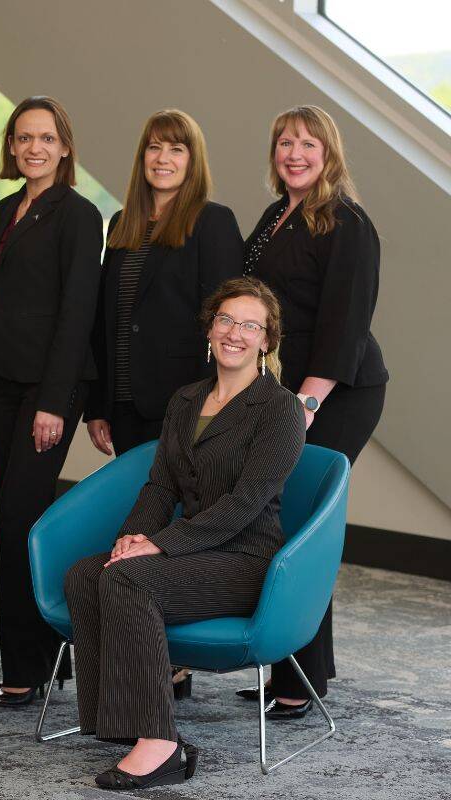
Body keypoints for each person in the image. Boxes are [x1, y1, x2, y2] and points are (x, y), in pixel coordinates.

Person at [64, 277, 305, 790]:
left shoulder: (281, 409)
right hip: (194, 551)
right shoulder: (186, 400)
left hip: (247, 559)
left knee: (130, 581)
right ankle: (117, 723)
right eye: (225, 320)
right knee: (89, 574)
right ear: (209, 330)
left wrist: (160, 545)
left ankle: (160, 744)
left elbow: (245, 505)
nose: (234, 332)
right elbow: (160, 486)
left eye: (249, 325)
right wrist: (130, 541)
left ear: (267, 341)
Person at [241, 105, 388, 717]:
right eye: (284, 143)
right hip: (283, 393)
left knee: (300, 522)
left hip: (336, 393)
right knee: (282, 520)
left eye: (307, 144)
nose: (294, 153)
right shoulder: (278, 216)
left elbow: (345, 324)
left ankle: (298, 679)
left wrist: (305, 405)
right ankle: (297, 666)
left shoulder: (347, 222)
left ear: (329, 154)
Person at [0, 96, 103, 706]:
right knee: (15, 516)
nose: (34, 148)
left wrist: (54, 402)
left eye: (46, 138)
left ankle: (26, 667)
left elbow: (78, 311)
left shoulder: (79, 216)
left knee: (23, 519)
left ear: (65, 147)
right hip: (4, 383)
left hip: (49, 390)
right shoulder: (3, 211)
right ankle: (42, 656)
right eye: (23, 138)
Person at [86, 109, 243, 457]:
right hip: (124, 404)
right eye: (154, 147)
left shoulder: (212, 222)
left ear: (192, 160)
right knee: (138, 505)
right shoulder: (122, 224)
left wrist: (214, 402)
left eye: (176, 149)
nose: (163, 159)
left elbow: (226, 321)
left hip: (185, 402)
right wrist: (98, 404)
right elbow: (103, 322)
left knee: (176, 507)